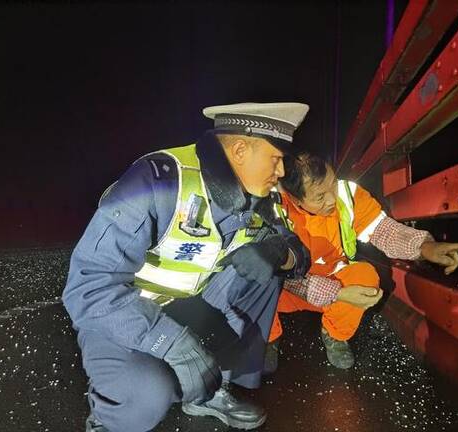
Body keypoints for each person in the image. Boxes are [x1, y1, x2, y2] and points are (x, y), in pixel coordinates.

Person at [63, 102, 312, 432]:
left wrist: (278, 252)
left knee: (263, 275)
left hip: (186, 303)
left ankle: (209, 391)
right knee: (148, 393)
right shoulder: (159, 180)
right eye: (276, 159)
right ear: (240, 150)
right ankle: (108, 424)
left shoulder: (264, 197)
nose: (281, 172)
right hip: (121, 314)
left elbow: (298, 252)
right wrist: (169, 342)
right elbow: (89, 287)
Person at [266, 152, 458, 371]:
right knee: (250, 282)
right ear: (295, 199)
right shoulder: (272, 208)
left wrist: (425, 247)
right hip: (285, 287)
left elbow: (383, 231)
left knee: (365, 278)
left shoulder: (348, 195)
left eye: (333, 185)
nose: (332, 199)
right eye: (320, 197)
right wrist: (335, 294)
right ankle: (267, 338)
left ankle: (335, 334)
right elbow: (278, 274)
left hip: (332, 279)